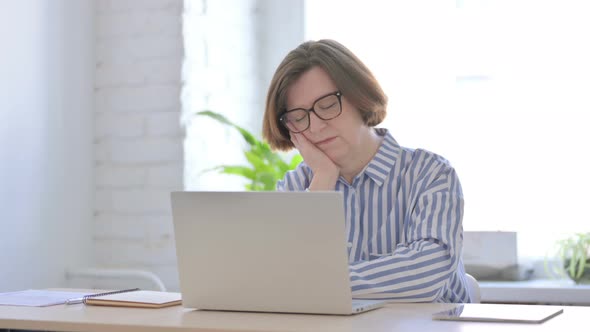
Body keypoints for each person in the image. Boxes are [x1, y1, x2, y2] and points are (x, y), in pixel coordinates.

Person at [262, 39, 470, 303]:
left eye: (326, 106)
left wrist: (317, 284)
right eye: (299, 117)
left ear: (360, 97)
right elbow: (276, 280)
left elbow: (427, 274)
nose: (314, 127)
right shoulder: (296, 187)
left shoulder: (430, 174)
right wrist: (323, 182)